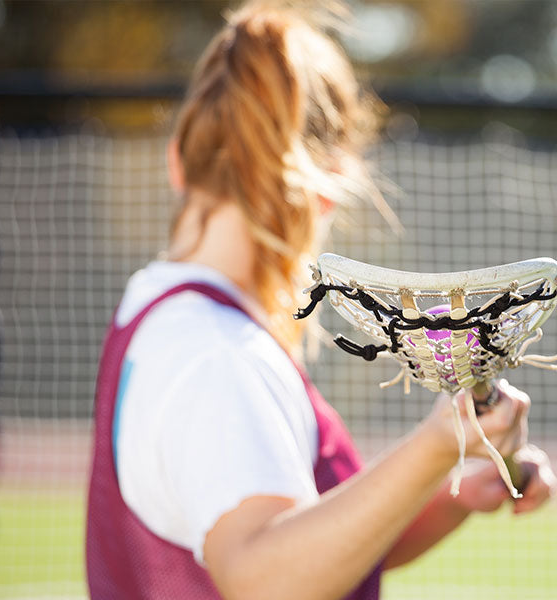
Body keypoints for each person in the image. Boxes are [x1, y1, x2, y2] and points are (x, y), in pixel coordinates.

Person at [86, 3, 556, 599]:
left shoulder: (157, 312)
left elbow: (317, 546)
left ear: (179, 160)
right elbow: (267, 578)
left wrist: (444, 493)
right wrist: (437, 441)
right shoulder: (218, 354)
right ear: (325, 187)